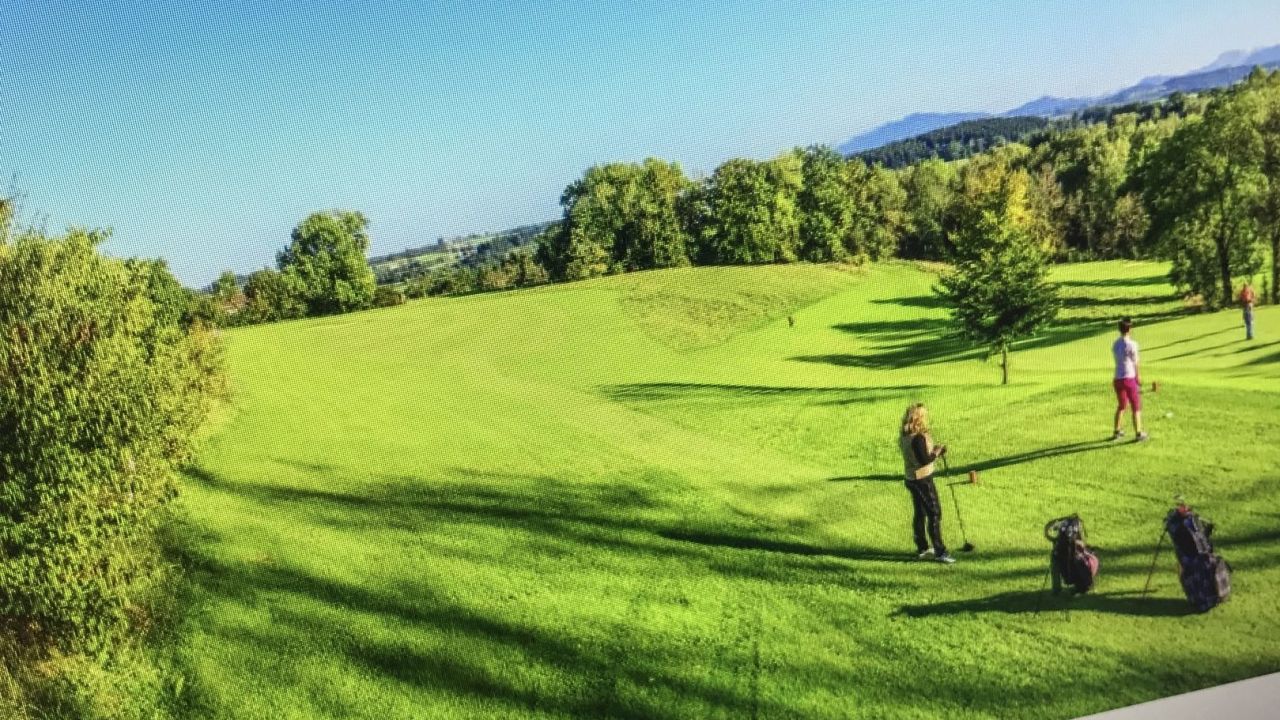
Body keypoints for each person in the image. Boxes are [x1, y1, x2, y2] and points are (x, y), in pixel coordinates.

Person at [899, 403, 954, 563]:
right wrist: (937, 452)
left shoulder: (905, 435)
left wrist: (933, 451)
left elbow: (918, 456)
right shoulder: (918, 438)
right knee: (934, 513)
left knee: (920, 513)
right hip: (922, 480)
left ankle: (922, 547)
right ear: (919, 418)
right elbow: (924, 460)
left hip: (910, 479)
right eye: (924, 416)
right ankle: (940, 552)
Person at [1112, 317, 1149, 442]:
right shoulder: (1133, 344)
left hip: (1117, 378)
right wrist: (1138, 378)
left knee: (1122, 405)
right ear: (1129, 329)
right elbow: (1135, 363)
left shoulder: (1115, 344)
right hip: (1129, 378)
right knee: (1136, 406)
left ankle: (1117, 431)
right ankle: (1138, 433)